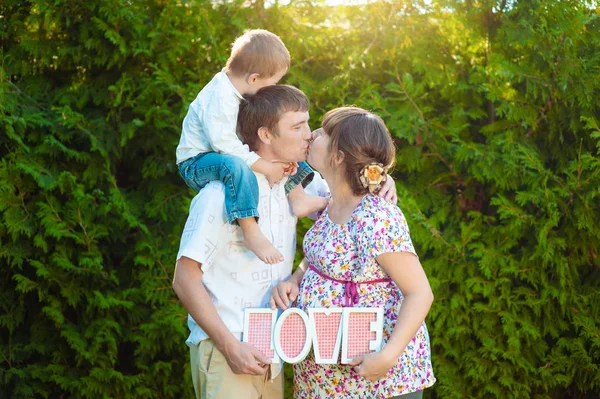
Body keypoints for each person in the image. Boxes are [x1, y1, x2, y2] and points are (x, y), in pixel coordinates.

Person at [172, 87, 398, 399]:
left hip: (271, 351)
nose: (309, 135)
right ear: (265, 134)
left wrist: (383, 178)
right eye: (298, 127)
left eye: (308, 124)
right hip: (228, 351)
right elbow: (184, 279)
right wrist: (229, 346)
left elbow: (351, 184)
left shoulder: (296, 183)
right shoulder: (219, 195)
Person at [270, 107, 436, 398]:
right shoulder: (331, 203)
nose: (312, 135)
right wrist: (296, 279)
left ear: (339, 155)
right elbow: (323, 260)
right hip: (325, 380)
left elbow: (420, 293)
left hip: (375, 381)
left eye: (322, 132)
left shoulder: (377, 217)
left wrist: (387, 357)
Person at [176, 29, 326, 265]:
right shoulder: (220, 97)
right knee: (236, 166)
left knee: (290, 152)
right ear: (254, 78)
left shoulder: (236, 91)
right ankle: (250, 228)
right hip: (197, 162)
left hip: (221, 155)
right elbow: (224, 145)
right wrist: (265, 167)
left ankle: (298, 197)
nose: (272, 88)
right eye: (272, 82)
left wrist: (378, 179)